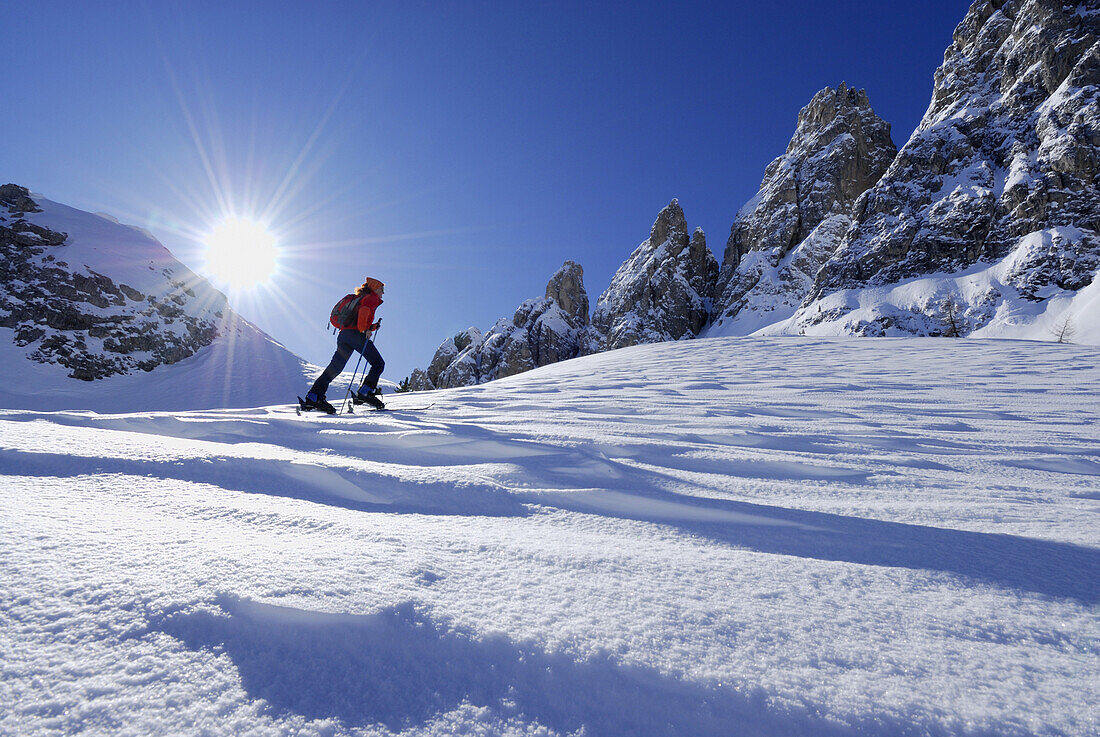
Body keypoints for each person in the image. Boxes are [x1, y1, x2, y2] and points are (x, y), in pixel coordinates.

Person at [302, 277, 386, 413]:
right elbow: (363, 315)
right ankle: (365, 392)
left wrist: (372, 327)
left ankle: (313, 397)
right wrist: (364, 329)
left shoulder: (359, 298)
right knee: (378, 363)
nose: (383, 292)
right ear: (375, 288)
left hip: (344, 335)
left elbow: (357, 319)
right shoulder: (371, 298)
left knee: (335, 368)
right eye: (382, 289)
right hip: (355, 335)